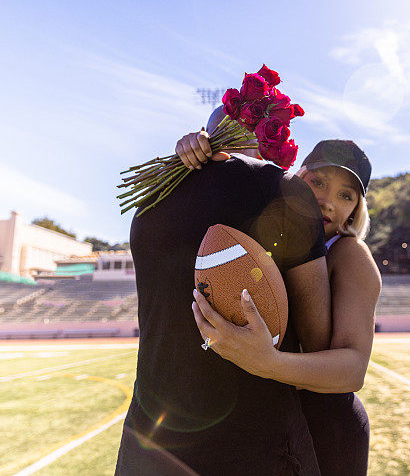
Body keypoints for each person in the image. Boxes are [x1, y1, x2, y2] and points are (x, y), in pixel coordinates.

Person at [115, 107, 333, 475]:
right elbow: (318, 338)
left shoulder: (147, 204)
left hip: (148, 442)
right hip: (254, 443)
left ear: (204, 137)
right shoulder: (276, 186)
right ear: (260, 138)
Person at [178, 124, 381, 476]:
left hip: (328, 427)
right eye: (317, 183)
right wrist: (201, 147)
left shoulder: (350, 255)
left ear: (355, 211)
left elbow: (353, 370)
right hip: (278, 424)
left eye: (346, 196)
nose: (327, 201)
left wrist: (268, 362)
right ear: (296, 178)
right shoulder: (276, 231)